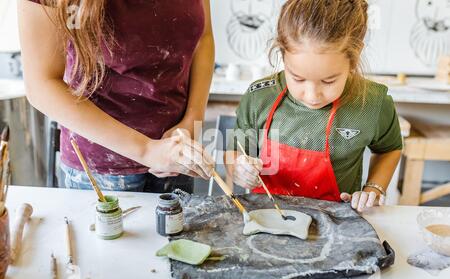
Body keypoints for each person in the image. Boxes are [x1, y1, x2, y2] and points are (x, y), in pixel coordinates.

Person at [18, 0, 215, 192]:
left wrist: (192, 119)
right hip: (103, 169)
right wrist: (147, 150)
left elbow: (203, 39)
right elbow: (41, 84)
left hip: (177, 153)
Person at [226, 0, 403, 212]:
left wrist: (374, 188)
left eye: (329, 81)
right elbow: (235, 151)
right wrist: (238, 168)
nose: (312, 96)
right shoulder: (260, 96)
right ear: (282, 54)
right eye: (298, 78)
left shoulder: (372, 103)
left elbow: (389, 149)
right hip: (267, 216)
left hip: (337, 222)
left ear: (354, 60)